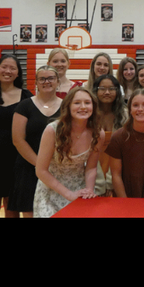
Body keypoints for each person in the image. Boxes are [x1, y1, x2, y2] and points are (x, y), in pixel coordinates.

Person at [33, 88, 105, 217]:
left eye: (87, 103)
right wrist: (68, 194)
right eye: (77, 103)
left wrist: (89, 190)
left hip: (79, 189)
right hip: (51, 190)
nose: (83, 107)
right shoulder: (52, 130)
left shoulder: (98, 133)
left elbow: (91, 167)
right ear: (68, 106)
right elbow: (41, 170)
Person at [0, 55, 33, 218]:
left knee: (12, 211)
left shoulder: (26, 96)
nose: (8, 71)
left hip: (16, 159)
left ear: (18, 73)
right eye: (4, 67)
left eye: (13, 68)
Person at [9, 66, 64, 218]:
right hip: (28, 168)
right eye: (42, 79)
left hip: (57, 170)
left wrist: (53, 166)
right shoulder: (24, 106)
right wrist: (40, 164)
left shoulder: (67, 106)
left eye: (51, 78)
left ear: (58, 81)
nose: (47, 82)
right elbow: (18, 140)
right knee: (30, 214)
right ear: (36, 83)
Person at [92, 74, 129, 197]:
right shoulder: (89, 115)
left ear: (118, 91)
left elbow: (125, 151)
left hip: (118, 171)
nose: (107, 92)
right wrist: (100, 183)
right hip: (92, 170)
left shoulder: (125, 115)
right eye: (102, 88)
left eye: (111, 89)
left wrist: (111, 181)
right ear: (95, 91)